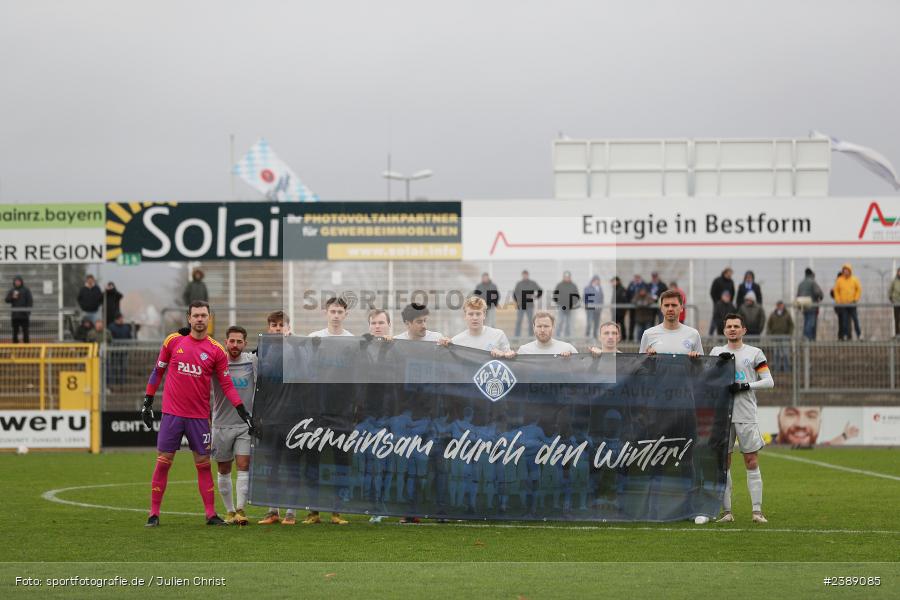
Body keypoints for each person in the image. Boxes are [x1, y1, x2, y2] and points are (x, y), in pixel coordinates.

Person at [141, 301, 254, 527]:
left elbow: (226, 384)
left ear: (209, 318)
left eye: (204, 315)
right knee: (163, 462)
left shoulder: (216, 351)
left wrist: (242, 410)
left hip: (199, 418)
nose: (200, 319)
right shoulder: (173, 341)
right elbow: (158, 371)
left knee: (203, 464)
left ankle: (211, 514)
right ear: (189, 318)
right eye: (196, 315)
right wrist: (148, 401)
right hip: (172, 414)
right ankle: (153, 514)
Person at [710, 313, 774, 524]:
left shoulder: (754, 353)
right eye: (728, 326)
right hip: (722, 414)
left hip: (745, 413)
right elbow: (707, 379)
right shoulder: (717, 352)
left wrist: (746, 385)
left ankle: (757, 511)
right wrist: (718, 366)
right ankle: (727, 512)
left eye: (736, 326)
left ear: (744, 330)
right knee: (724, 463)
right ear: (724, 330)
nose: (732, 329)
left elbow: (768, 382)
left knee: (751, 460)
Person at [303, 297, 353, 526]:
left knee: (341, 461)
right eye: (332, 311)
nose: (335, 315)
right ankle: (313, 511)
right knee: (313, 460)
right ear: (326, 312)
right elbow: (302, 369)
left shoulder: (353, 341)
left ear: (345, 314)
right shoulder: (315, 338)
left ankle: (337, 511)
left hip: (342, 412)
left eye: (340, 311)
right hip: (316, 411)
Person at [212, 326, 257, 526]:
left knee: (244, 465)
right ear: (226, 342)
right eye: (232, 341)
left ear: (245, 344)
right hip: (221, 424)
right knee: (223, 469)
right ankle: (229, 511)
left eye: (239, 342)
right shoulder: (217, 362)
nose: (235, 345)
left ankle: (240, 510)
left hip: (244, 424)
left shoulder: (252, 361)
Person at [256, 310, 298, 526]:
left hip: (291, 418)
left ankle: (291, 513)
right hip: (270, 418)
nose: (277, 328)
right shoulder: (262, 353)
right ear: (268, 328)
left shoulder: (296, 350)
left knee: (290, 466)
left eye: (281, 325)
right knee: (271, 466)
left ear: (288, 328)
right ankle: (273, 511)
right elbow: (259, 388)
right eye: (274, 325)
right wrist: (258, 417)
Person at [440, 296, 512, 357]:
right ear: (465, 316)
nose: (475, 318)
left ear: (484, 315)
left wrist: (503, 354)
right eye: (471, 314)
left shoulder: (498, 335)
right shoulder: (456, 342)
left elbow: (511, 361)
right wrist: (443, 345)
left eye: (478, 314)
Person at [639, 289, 703, 357]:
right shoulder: (648, 334)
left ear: (681, 308)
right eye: (666, 305)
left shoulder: (693, 334)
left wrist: (695, 360)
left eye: (674, 305)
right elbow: (641, 365)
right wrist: (648, 358)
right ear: (661, 308)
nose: (670, 309)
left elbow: (702, 365)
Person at [832, 264, 862, 341]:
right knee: (844, 321)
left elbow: (858, 289)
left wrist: (855, 299)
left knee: (855, 320)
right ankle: (845, 335)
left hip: (852, 303)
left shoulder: (854, 279)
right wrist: (838, 300)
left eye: (847, 270)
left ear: (850, 271)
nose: (846, 272)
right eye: (844, 270)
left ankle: (859, 335)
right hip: (843, 304)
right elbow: (836, 290)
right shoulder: (839, 280)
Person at [796, 268, 824, 341]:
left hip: (804, 307)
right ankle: (807, 338)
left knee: (806, 322)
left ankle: (807, 339)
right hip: (812, 306)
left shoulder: (801, 284)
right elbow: (818, 293)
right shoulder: (812, 282)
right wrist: (820, 297)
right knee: (811, 323)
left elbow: (798, 295)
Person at [513, 270, 543, 338]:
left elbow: (540, 291)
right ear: (522, 275)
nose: (525, 276)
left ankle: (531, 337)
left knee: (530, 322)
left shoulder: (532, 283)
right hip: (521, 306)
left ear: (528, 275)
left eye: (526, 275)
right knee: (519, 321)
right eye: (524, 275)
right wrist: (517, 301)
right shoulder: (519, 284)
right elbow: (514, 294)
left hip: (530, 306)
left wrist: (536, 297)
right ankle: (516, 337)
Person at [765, 301, 793, 372]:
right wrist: (770, 334)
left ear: (783, 306)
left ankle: (787, 370)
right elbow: (769, 325)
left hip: (784, 337)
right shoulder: (773, 315)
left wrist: (789, 334)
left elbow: (791, 325)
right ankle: (776, 369)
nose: (780, 307)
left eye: (781, 305)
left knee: (786, 354)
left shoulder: (787, 314)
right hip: (775, 337)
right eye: (778, 305)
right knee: (776, 354)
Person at [5, 275, 32, 343]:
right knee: (15, 332)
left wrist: (28, 312)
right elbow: (7, 300)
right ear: (14, 282)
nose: (17, 283)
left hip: (24, 315)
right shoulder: (12, 290)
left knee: (25, 332)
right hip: (15, 315)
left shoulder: (26, 290)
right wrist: (12, 297)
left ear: (21, 282)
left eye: (18, 281)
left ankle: (27, 347)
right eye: (16, 281)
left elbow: (30, 301)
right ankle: (15, 347)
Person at [552, 271, 580, 338]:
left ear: (570, 277)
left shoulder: (573, 286)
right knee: (560, 322)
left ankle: (567, 338)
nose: (567, 278)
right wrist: (558, 303)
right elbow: (555, 295)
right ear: (563, 277)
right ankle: (557, 337)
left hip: (570, 308)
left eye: (568, 277)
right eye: (565, 277)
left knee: (569, 323)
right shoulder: (559, 285)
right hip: (561, 306)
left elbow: (577, 296)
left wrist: (573, 303)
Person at [709, 268, 735, 335]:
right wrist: (716, 302)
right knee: (715, 319)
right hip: (718, 304)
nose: (730, 275)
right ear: (725, 273)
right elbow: (712, 292)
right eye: (730, 273)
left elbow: (733, 292)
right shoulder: (717, 280)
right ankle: (710, 335)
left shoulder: (731, 282)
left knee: (727, 318)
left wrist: (729, 302)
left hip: (727, 304)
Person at [108, 313, 132, 385]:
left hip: (124, 351)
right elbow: (110, 338)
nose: (122, 320)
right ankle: (114, 382)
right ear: (117, 319)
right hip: (114, 351)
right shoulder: (111, 327)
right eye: (121, 318)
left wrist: (127, 345)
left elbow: (129, 337)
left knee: (123, 367)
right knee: (114, 367)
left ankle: (122, 382)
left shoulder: (126, 327)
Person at [626, 274, 647, 342]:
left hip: (641, 309)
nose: (636, 279)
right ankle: (630, 338)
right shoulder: (631, 284)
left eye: (638, 278)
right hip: (633, 307)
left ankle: (641, 340)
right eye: (635, 278)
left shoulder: (643, 284)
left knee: (641, 324)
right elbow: (628, 293)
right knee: (632, 323)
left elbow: (647, 294)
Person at [890, 268, 900, 337]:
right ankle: (897, 334)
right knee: (897, 319)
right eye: (899, 272)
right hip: (896, 302)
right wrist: (891, 299)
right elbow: (890, 290)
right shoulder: (894, 281)